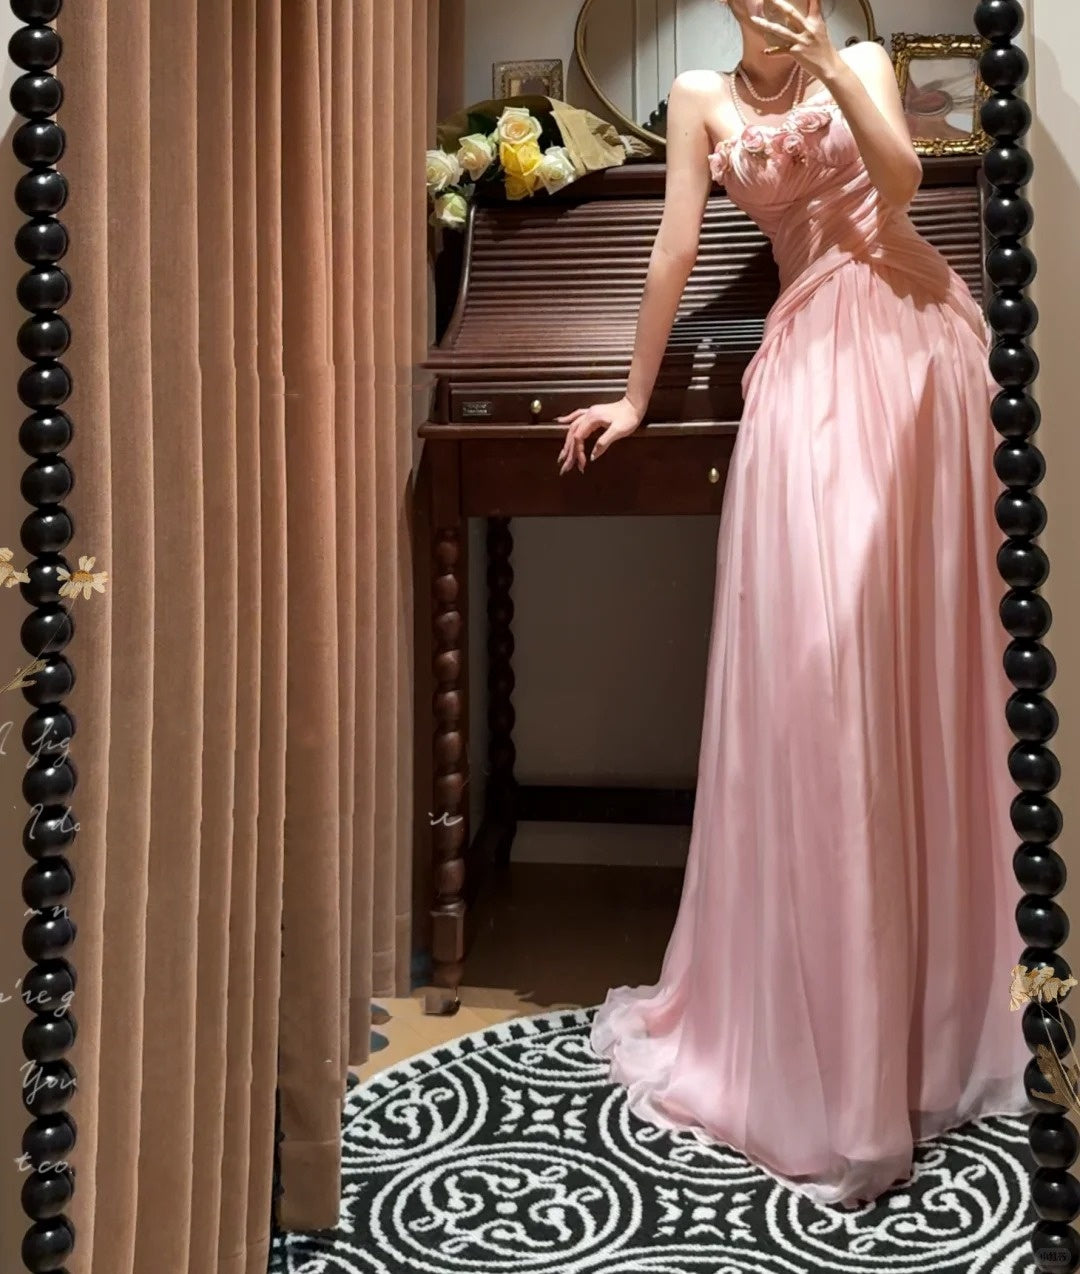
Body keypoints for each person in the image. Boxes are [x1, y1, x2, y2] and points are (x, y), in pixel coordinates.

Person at [555, 0, 1033, 1209]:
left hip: (919, 350)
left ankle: (928, 1029)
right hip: (807, 359)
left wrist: (832, 66)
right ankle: (833, 1033)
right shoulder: (700, 99)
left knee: (917, 660)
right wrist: (635, 398)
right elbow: (672, 248)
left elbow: (904, 179)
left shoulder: (859, 55)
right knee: (821, 667)